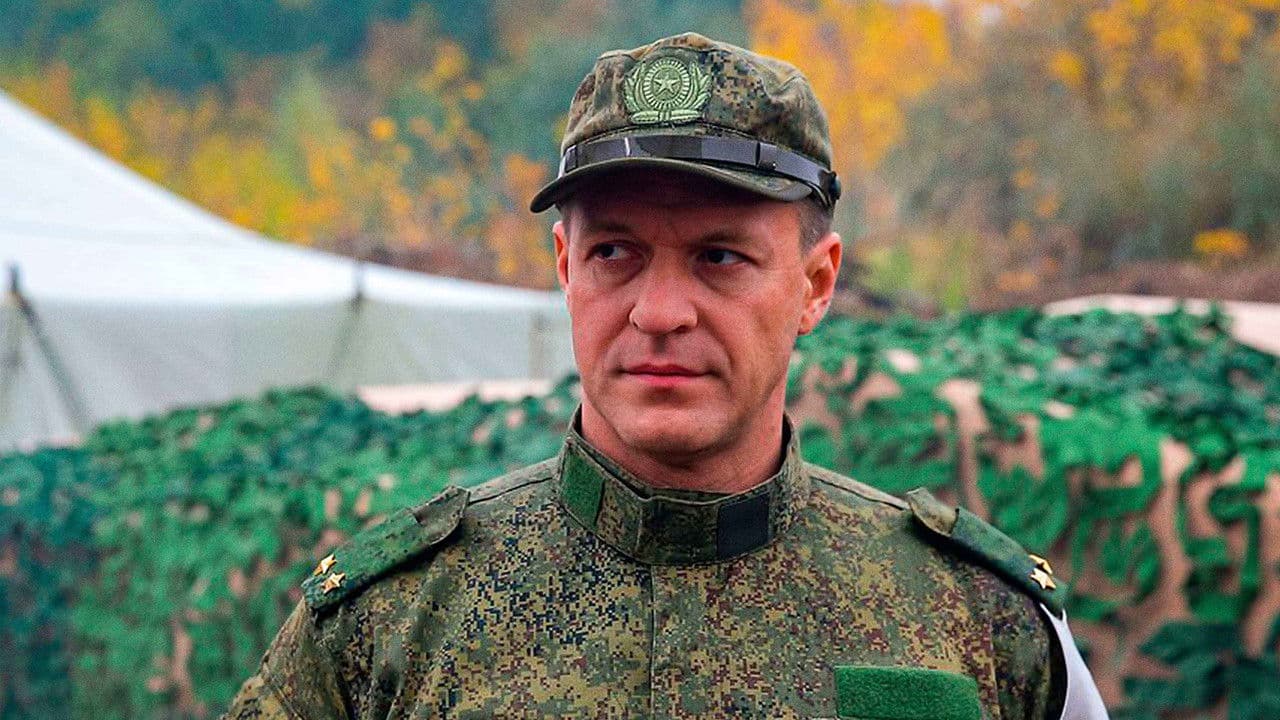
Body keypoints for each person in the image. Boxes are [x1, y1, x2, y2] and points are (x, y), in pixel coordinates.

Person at [223, 32, 1108, 719]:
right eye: (616, 253)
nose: (659, 311)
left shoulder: (978, 620)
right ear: (565, 268)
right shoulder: (389, 626)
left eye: (720, 257)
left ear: (815, 285)